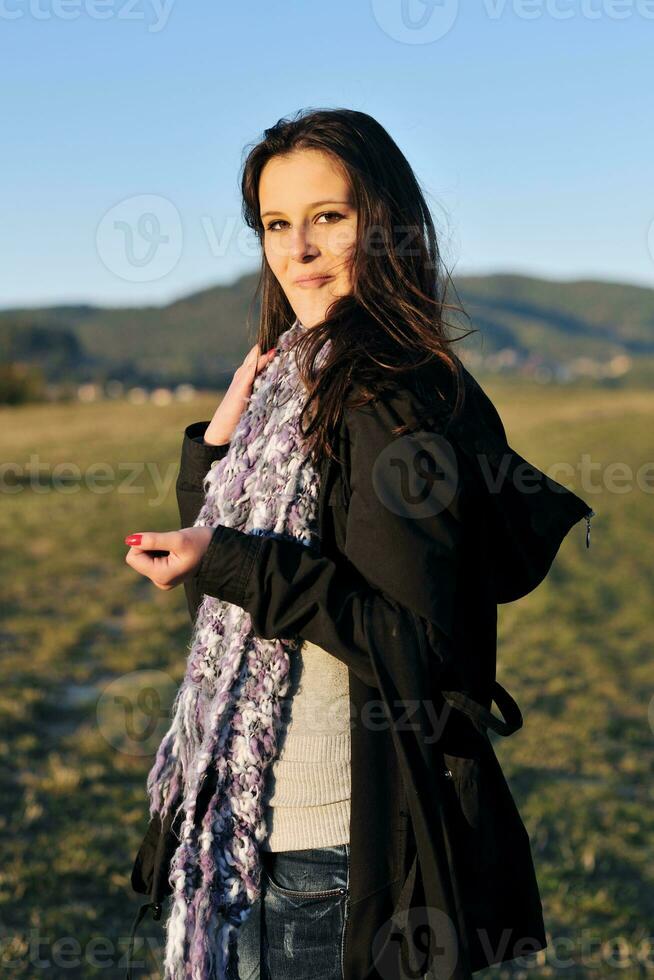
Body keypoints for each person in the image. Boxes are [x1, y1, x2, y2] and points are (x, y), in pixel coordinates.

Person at [125, 108, 595, 980]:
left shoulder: (384, 396)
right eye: (275, 224)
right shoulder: (291, 386)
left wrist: (228, 554)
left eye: (328, 218)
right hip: (247, 836)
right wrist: (214, 457)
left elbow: (418, 646)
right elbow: (231, 608)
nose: (297, 250)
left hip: (327, 861)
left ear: (384, 226)